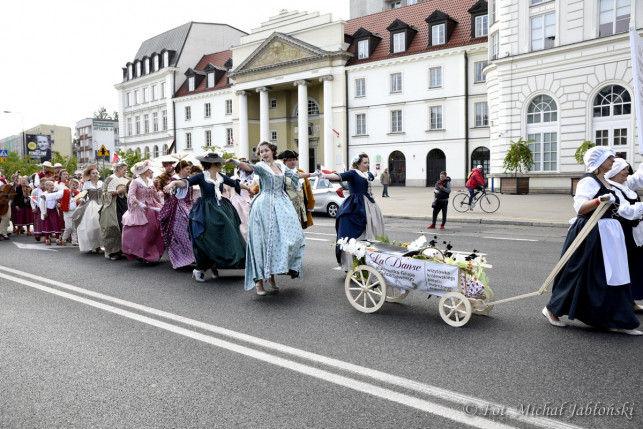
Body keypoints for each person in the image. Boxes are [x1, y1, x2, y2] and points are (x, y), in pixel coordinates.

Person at [543, 146, 641, 335]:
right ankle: (552, 309)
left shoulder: (605, 180)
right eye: (609, 157)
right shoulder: (588, 181)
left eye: (613, 157)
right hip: (591, 231)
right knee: (579, 272)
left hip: (608, 232)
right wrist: (599, 200)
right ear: (598, 161)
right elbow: (580, 207)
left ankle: (618, 319)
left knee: (613, 276)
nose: (613, 160)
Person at [226, 142, 320, 295]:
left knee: (286, 239)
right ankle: (259, 282)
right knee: (261, 243)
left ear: (273, 151)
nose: (263, 153)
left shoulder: (281, 166)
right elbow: (250, 168)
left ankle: (273, 275)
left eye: (266, 150)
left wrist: (313, 175)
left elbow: (295, 175)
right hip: (264, 205)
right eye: (260, 151)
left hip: (281, 203)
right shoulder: (261, 167)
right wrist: (237, 162)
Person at [165, 153, 253, 282]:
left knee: (227, 234)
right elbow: (186, 183)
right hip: (207, 209)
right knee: (207, 237)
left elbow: (235, 183)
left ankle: (216, 265)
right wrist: (173, 184)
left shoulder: (221, 177)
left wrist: (249, 188)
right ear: (213, 164)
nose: (220, 164)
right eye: (218, 162)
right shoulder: (201, 176)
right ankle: (199, 268)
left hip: (222, 207)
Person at [324, 152, 386, 271]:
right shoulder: (353, 173)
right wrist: (324, 175)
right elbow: (338, 176)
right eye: (365, 163)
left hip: (369, 205)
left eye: (368, 162)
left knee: (372, 231)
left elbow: (372, 174)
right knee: (352, 235)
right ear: (357, 164)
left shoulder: (366, 174)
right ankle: (352, 264)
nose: (367, 165)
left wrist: (373, 172)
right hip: (356, 205)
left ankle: (370, 262)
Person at [605, 158, 643, 313]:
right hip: (621, 235)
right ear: (614, 172)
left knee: (634, 267)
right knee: (623, 269)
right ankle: (619, 303)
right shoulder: (610, 188)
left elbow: (640, 176)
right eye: (624, 169)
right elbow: (624, 211)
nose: (627, 171)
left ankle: (630, 300)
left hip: (634, 234)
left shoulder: (625, 184)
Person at [121, 160, 165, 263]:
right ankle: (142, 254)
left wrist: (161, 195)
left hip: (151, 208)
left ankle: (152, 253)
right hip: (141, 208)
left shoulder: (150, 181)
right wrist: (140, 204)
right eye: (148, 170)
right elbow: (131, 196)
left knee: (154, 230)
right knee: (142, 232)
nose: (150, 171)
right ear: (144, 171)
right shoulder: (135, 182)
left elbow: (154, 195)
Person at [159, 160, 196, 269]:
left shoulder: (189, 180)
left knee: (190, 233)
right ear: (180, 169)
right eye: (187, 168)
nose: (189, 170)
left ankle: (190, 256)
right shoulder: (173, 179)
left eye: (189, 168)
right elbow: (166, 191)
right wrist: (172, 188)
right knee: (181, 233)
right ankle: (181, 258)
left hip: (189, 207)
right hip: (177, 208)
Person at [277, 149, 315, 229]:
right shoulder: (280, 173)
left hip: (301, 207)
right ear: (284, 162)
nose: (292, 162)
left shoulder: (300, 172)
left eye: (294, 160)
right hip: (287, 207)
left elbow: (308, 189)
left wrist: (310, 204)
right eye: (290, 160)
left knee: (300, 230)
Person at [100, 161, 129, 260]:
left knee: (125, 226)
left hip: (124, 204)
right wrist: (117, 191)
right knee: (112, 226)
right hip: (112, 205)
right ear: (118, 169)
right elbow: (104, 194)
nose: (125, 172)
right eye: (124, 170)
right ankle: (113, 251)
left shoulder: (126, 179)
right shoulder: (109, 179)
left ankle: (123, 249)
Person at [72, 165, 104, 253]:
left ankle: (98, 246)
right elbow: (84, 196)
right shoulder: (87, 184)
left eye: (96, 173)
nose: (95, 174)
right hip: (91, 205)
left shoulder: (101, 183)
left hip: (100, 204)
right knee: (90, 227)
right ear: (89, 175)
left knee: (100, 226)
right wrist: (80, 200)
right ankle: (90, 245)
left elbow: (104, 194)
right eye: (93, 173)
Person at [42, 178, 82, 246]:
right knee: (69, 227)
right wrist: (45, 196)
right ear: (70, 185)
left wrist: (81, 201)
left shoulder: (77, 193)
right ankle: (64, 239)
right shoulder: (64, 191)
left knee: (74, 227)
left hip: (75, 211)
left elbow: (83, 199)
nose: (75, 187)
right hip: (67, 211)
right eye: (73, 185)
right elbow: (55, 195)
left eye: (76, 185)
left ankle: (74, 241)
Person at [38, 181, 61, 245]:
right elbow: (42, 204)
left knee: (55, 224)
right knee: (47, 225)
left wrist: (59, 203)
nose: (52, 187)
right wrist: (43, 212)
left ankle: (57, 238)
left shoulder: (55, 194)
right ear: (46, 187)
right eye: (50, 185)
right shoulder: (44, 194)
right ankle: (47, 238)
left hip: (53, 211)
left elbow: (57, 204)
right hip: (47, 211)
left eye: (52, 185)